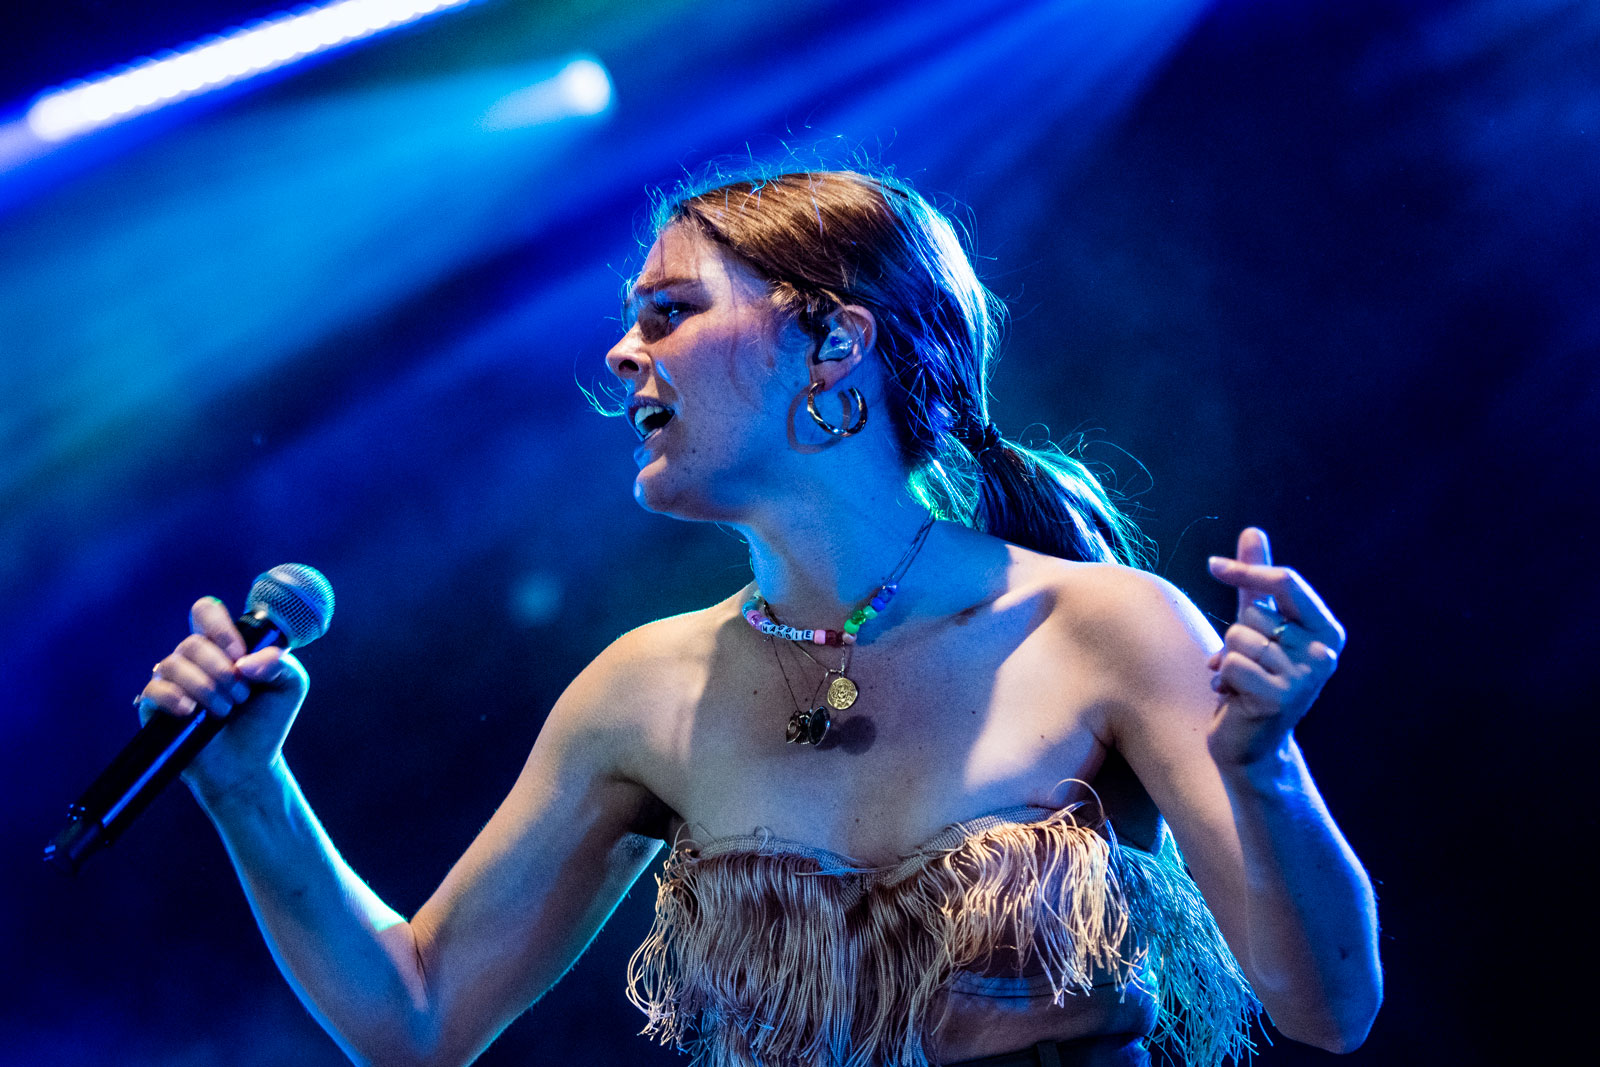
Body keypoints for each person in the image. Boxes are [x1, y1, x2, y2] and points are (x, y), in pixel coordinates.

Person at [137, 169, 1381, 1067]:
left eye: (669, 311)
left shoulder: (1105, 626)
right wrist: (252, 789)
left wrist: (1262, 765)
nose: (624, 355)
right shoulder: (645, 688)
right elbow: (417, 1021)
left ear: (831, 343)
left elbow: (1329, 1006)